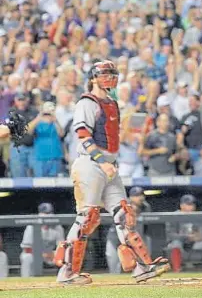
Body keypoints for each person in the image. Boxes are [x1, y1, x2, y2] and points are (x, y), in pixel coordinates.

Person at [53, 60, 169, 285]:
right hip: (90, 163)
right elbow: (83, 135)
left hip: (109, 164)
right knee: (87, 217)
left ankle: (142, 267)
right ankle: (67, 272)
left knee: (124, 214)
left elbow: (109, 136)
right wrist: (101, 161)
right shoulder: (87, 101)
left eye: (112, 73)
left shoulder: (113, 102)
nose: (110, 76)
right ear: (93, 78)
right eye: (104, 73)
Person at [105, 187, 153, 273]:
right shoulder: (122, 206)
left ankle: (143, 274)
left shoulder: (146, 207)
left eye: (141, 195)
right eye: (136, 195)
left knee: (141, 260)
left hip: (134, 239)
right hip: (116, 237)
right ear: (130, 197)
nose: (140, 198)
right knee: (113, 262)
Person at [166, 194, 202, 273]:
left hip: (196, 250)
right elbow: (170, 235)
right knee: (176, 243)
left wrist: (200, 236)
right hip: (181, 249)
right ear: (181, 206)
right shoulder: (174, 216)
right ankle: (177, 270)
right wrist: (186, 237)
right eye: (188, 204)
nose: (191, 207)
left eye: (192, 204)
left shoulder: (198, 216)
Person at [20, 203, 64, 277]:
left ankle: (63, 279)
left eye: (49, 213)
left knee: (64, 257)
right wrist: (41, 254)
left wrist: (56, 254)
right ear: (39, 214)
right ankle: (26, 280)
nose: (48, 215)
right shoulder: (31, 226)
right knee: (27, 257)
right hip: (34, 254)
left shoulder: (58, 227)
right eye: (45, 213)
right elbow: (27, 248)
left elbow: (61, 245)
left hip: (51, 255)